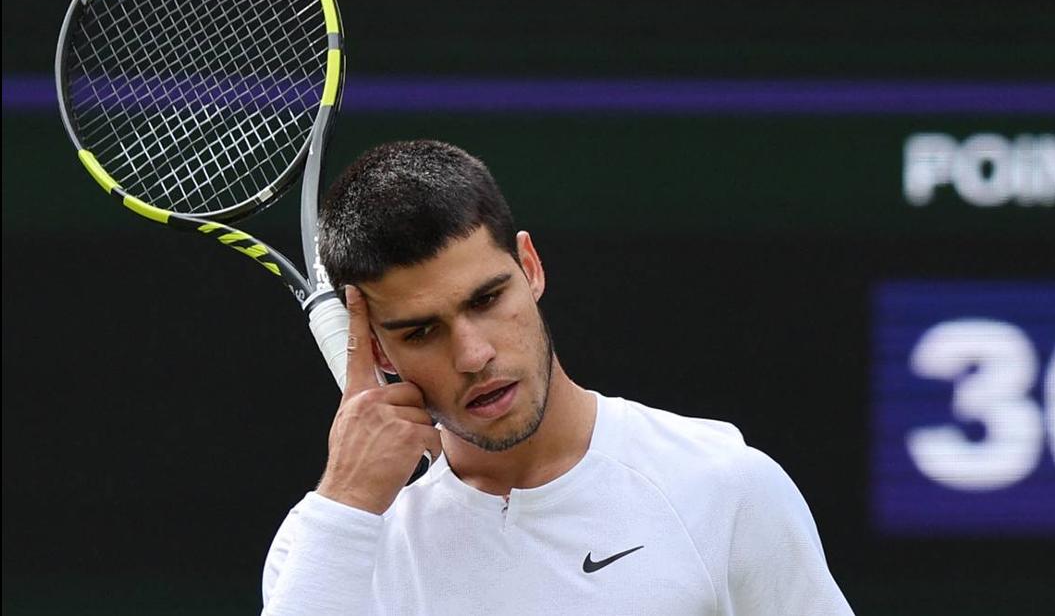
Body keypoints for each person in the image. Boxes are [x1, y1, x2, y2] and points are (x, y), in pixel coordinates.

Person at [261, 140, 855, 615]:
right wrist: (348, 500)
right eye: (421, 331)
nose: (473, 354)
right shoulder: (326, 542)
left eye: (488, 299)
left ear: (531, 267)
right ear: (376, 349)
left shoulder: (725, 488)